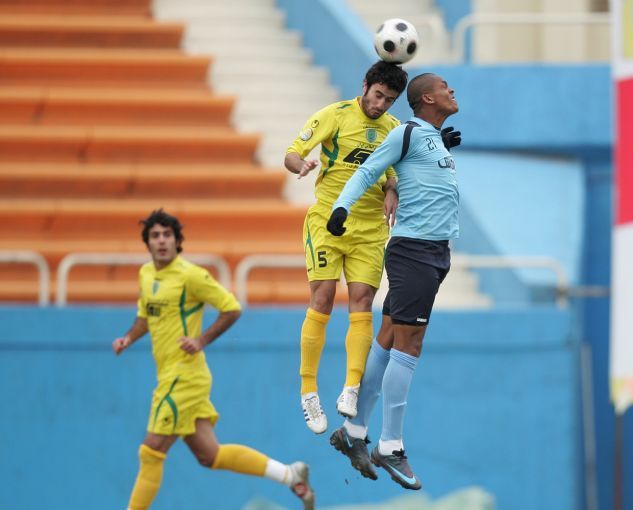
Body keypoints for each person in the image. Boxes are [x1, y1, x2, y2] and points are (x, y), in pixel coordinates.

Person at [112, 209, 315, 510]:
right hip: (171, 375)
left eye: (167, 235)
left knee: (151, 450)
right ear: (148, 242)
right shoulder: (146, 274)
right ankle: (289, 474)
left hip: (184, 376)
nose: (162, 240)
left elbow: (231, 307)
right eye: (155, 236)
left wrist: (201, 340)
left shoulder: (190, 275)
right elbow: (146, 315)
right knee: (210, 455)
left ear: (177, 240)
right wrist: (129, 337)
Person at [326, 73, 461, 491]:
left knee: (387, 338)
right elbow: (369, 170)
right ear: (427, 99)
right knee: (409, 345)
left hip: (433, 253)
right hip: (415, 251)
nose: (451, 90)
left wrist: (440, 146)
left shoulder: (431, 138)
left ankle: (354, 430)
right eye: (444, 86)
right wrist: (342, 207)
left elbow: (421, 176)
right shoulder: (406, 132)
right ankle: (391, 444)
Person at [284, 61, 408, 434]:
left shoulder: (393, 129)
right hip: (328, 221)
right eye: (377, 95)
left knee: (362, 302)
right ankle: (308, 391)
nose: (380, 105)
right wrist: (301, 165)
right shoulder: (334, 115)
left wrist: (391, 189)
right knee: (322, 298)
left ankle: (351, 386)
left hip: (370, 229)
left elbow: (394, 170)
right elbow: (292, 152)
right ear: (365, 86)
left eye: (389, 100)